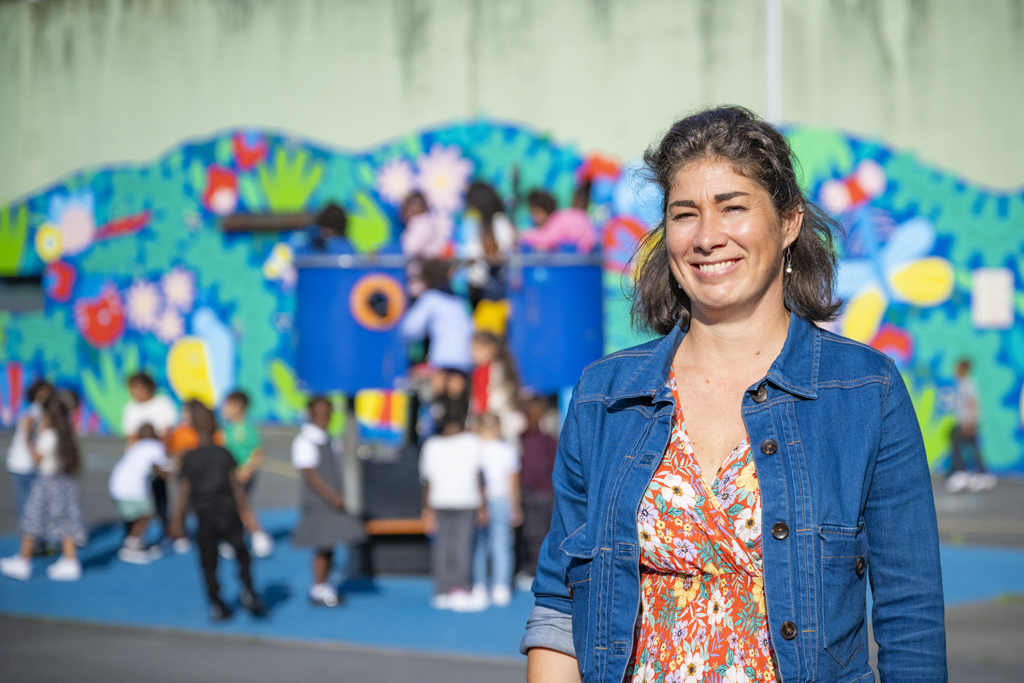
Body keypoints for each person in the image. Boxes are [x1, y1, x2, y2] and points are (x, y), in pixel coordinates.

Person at [521, 107, 946, 683]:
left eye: (733, 207)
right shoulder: (604, 396)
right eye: (685, 214)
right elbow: (559, 605)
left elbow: (910, 617)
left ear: (789, 222)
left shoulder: (865, 392)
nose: (706, 237)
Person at [171, 404, 266, 621]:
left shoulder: (190, 457)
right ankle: (249, 591)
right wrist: (246, 514)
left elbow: (184, 493)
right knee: (242, 554)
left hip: (205, 515)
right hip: (227, 512)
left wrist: (178, 520)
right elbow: (236, 488)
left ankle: (216, 603)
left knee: (208, 562)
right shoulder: (223, 453)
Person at [1, 396, 87, 581]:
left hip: (47, 483)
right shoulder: (67, 434)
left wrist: (27, 435)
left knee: (31, 520)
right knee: (65, 522)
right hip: (64, 482)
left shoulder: (48, 435)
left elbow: (36, 459)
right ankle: (70, 560)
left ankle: (23, 561)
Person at [290, 396, 366, 608]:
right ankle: (318, 586)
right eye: (320, 414)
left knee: (329, 544)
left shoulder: (328, 438)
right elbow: (311, 475)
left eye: (328, 414)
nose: (324, 418)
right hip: (319, 503)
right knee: (322, 545)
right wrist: (333, 497)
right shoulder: (305, 441)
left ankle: (324, 584)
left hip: (331, 501)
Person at [420, 405, 488, 612]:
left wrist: (426, 508)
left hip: (439, 501)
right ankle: (459, 590)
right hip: (465, 500)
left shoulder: (431, 444)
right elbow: (479, 475)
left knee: (442, 548)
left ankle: (442, 591)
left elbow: (426, 480)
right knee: (462, 547)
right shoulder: (472, 441)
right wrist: (483, 505)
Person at [400, 260, 474, 407]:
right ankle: (455, 423)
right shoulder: (458, 301)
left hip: (442, 356)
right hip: (464, 356)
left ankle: (442, 424)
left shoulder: (431, 298)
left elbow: (410, 328)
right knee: (455, 400)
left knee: (440, 399)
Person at [471, 412, 522, 607]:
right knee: (501, 543)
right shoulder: (507, 450)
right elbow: (513, 483)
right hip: (500, 499)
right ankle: (501, 586)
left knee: (479, 545)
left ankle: (480, 586)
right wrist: (515, 507)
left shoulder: (475, 449)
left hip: (479, 500)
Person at [122, 372, 178, 545]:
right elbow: (131, 436)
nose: (135, 393)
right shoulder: (130, 408)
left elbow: (166, 433)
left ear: (148, 387)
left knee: (159, 495)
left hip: (156, 460)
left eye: (137, 388)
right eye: (132, 389)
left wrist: (155, 455)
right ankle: (132, 535)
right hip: (137, 464)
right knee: (134, 498)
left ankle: (167, 531)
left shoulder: (162, 404)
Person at [222, 390, 274, 557]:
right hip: (229, 475)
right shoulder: (228, 428)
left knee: (242, 507)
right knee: (233, 508)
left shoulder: (246, 427)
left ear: (238, 407)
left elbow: (258, 453)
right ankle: (234, 539)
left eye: (228, 405)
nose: (224, 408)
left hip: (241, 476)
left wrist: (248, 470)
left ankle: (259, 537)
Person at [108, 423, 170, 564]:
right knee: (146, 514)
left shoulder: (135, 446)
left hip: (116, 484)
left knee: (133, 516)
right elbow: (161, 468)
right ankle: (131, 545)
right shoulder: (156, 446)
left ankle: (136, 542)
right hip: (132, 487)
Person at [515, 396, 558, 589]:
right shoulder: (520, 439)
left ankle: (544, 571)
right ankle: (533, 569)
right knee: (531, 534)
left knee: (544, 534)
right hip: (528, 493)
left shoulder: (550, 440)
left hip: (547, 493)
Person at [456, 182, 516, 304]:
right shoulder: (474, 223)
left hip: (493, 286)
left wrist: (484, 257)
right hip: (475, 284)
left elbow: (506, 252)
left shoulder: (498, 221)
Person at [5, 380, 53, 525]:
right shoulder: (38, 411)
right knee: (30, 504)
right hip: (25, 464)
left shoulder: (33, 409)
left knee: (29, 503)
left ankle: (32, 538)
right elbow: (28, 426)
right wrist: (34, 453)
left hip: (19, 463)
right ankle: (31, 540)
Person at [947, 358, 996, 493]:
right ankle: (982, 474)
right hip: (968, 422)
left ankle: (962, 473)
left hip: (968, 423)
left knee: (958, 443)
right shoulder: (964, 383)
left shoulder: (967, 384)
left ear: (964, 369)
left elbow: (972, 403)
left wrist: (970, 422)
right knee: (974, 446)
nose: (956, 371)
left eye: (958, 368)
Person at [469, 331, 523, 445]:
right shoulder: (476, 374)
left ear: (491, 349)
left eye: (478, 349)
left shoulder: (501, 371)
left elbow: (501, 399)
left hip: (500, 427)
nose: (473, 354)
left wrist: (491, 421)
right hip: (483, 427)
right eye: (473, 349)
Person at [519, 186, 597, 254]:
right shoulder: (581, 216)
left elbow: (548, 237)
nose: (534, 217)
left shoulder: (558, 219)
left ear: (546, 211)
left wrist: (525, 235)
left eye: (536, 213)